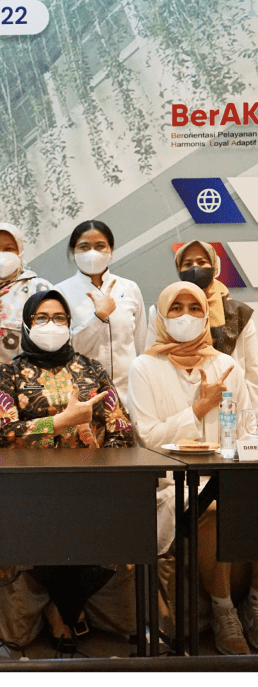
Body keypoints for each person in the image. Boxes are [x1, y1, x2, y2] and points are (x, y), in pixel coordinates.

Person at [0, 290, 135, 652]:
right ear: (26, 324)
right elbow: (4, 433)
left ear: (70, 324)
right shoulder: (10, 373)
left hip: (91, 485)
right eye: (41, 317)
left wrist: (102, 468)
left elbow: (121, 427)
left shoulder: (91, 369)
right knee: (40, 522)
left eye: (59, 318)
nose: (50, 324)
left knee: (120, 527)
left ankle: (63, 606)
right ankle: (64, 610)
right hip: (30, 487)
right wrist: (60, 422)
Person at [129, 281, 256, 655]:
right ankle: (224, 611)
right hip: (170, 485)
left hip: (228, 477)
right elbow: (149, 438)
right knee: (211, 509)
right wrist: (198, 410)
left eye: (195, 308)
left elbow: (247, 429)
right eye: (176, 308)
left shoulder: (226, 365)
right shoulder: (144, 367)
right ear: (162, 316)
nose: (186, 315)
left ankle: (254, 604)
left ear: (207, 316)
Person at [55, 220, 146, 404]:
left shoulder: (129, 288)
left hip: (129, 395)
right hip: (83, 397)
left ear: (111, 250)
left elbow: (141, 345)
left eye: (99, 246)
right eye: (84, 247)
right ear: (73, 253)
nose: (92, 253)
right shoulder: (60, 293)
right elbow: (65, 351)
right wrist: (98, 318)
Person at [166, 240, 258, 406]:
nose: (195, 268)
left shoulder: (240, 314)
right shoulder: (166, 312)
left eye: (202, 262)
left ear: (215, 267)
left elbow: (253, 372)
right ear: (179, 270)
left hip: (231, 406)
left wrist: (252, 415)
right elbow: (155, 362)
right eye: (188, 264)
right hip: (182, 407)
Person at [0, 222, 52, 384]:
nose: (1, 255)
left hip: (23, 389)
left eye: (9, 249)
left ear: (20, 252)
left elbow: (53, 342)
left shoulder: (39, 290)